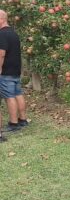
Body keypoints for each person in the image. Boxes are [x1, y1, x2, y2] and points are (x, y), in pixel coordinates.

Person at [0, 10, 28, 141]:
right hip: (15, 70)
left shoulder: (2, 34)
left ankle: (13, 123)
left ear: (1, 19)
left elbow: (1, 54)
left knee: (9, 97)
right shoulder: (13, 33)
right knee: (17, 94)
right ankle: (22, 119)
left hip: (5, 71)